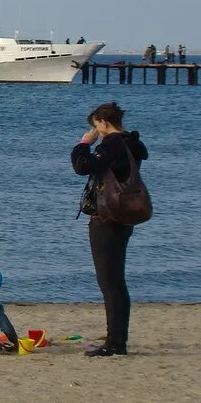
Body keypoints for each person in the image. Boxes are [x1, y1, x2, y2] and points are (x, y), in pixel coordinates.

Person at [72, 101, 148, 357]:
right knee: (116, 281)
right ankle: (117, 338)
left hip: (108, 220)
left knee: (109, 283)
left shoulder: (112, 144)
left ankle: (115, 343)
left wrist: (83, 144)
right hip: (124, 216)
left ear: (103, 122)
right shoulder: (132, 143)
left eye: (97, 127)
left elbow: (83, 167)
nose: (96, 132)